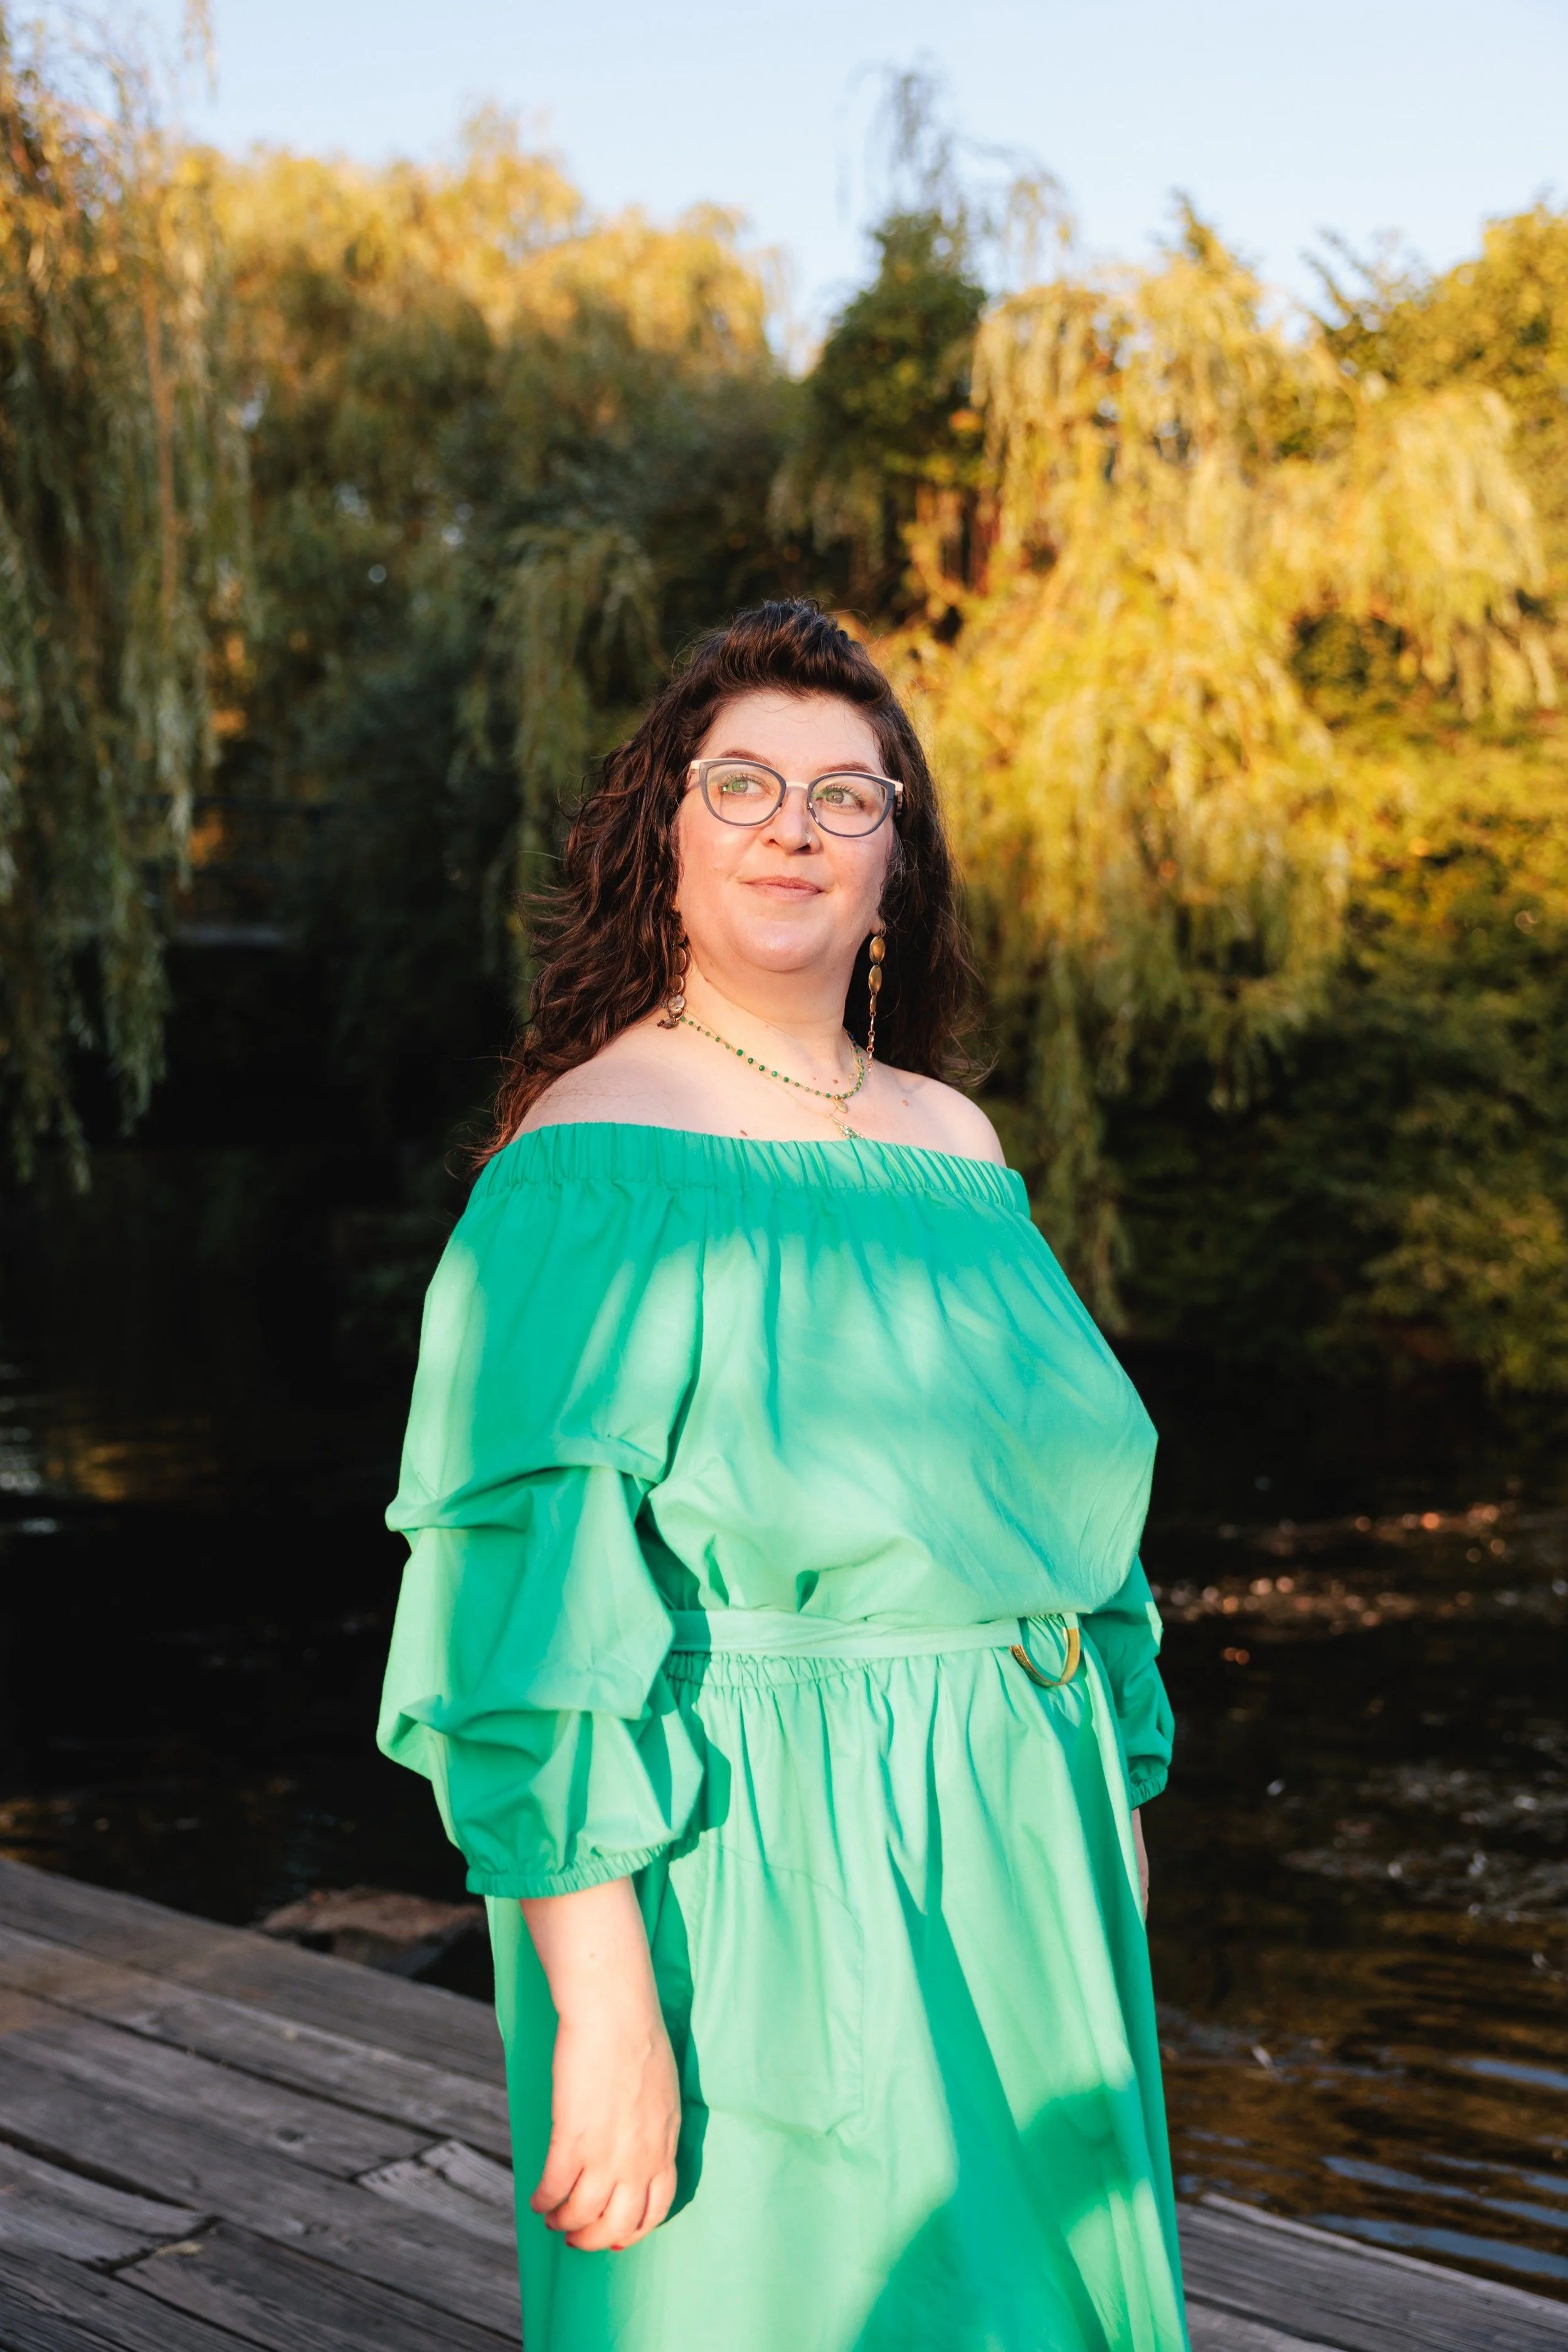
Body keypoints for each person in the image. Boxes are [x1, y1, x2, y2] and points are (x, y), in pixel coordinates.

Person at [378, 601, 1189, 2352]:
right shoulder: (596, 1149)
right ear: (660, 842)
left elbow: (1072, 1529)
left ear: (897, 861)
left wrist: (1109, 1810)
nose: (791, 828)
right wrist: (604, 2003)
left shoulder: (955, 1143)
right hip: (757, 1853)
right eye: (739, 783)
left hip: (1020, 1838)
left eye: (845, 795)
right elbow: (520, 1605)